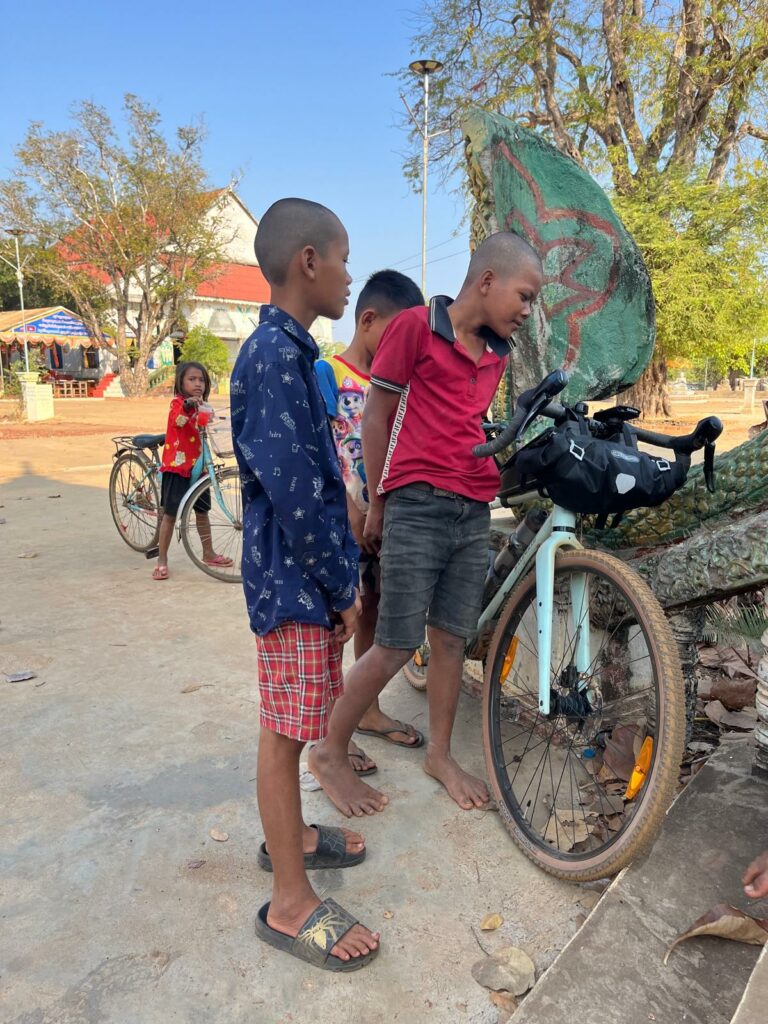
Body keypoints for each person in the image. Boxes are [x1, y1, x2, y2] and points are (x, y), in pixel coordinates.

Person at [309, 231, 544, 817]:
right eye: (524, 295)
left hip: (472, 507)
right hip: (416, 503)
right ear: (487, 281)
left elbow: (468, 422)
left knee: (450, 640)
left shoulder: (497, 355)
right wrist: (380, 500)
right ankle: (329, 751)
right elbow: (377, 419)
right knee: (394, 643)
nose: (526, 310)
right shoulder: (414, 326)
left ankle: (439, 754)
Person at [230, 198, 379, 971]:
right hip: (295, 588)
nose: (351, 274)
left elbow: (312, 473)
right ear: (309, 262)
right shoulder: (272, 357)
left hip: (303, 584)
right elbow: (292, 495)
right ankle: (290, 902)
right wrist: (342, 584)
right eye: (344, 258)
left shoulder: (291, 354)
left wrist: (348, 499)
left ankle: (296, 843)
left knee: (296, 720)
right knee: (284, 733)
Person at [315, 270, 425, 777]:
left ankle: (367, 710)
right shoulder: (327, 374)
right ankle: (329, 732)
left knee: (376, 616)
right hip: (342, 526)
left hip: (383, 522)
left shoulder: (395, 385)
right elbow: (318, 453)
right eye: (398, 334)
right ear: (367, 320)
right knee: (340, 623)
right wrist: (349, 510)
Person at [152, 361, 233, 581]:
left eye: (202, 380)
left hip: (199, 467)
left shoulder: (202, 405)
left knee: (202, 512)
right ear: (181, 382)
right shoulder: (177, 404)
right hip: (178, 467)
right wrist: (189, 405)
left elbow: (208, 425)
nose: (198, 384)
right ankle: (161, 560)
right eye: (192, 379)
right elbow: (178, 421)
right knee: (169, 515)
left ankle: (208, 552)